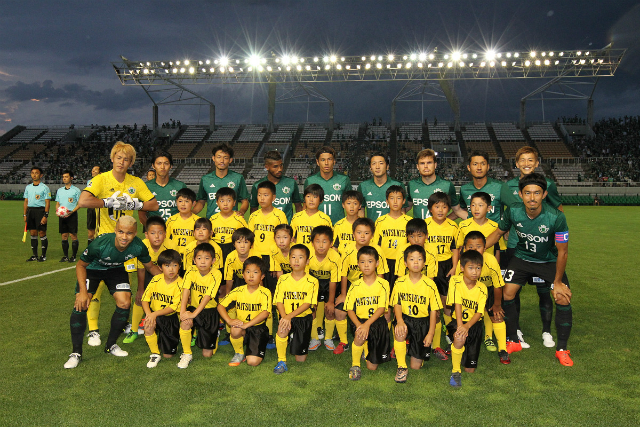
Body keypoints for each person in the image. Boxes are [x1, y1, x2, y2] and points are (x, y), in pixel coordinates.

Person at [486, 173, 573, 367]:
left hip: (548, 261)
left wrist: (558, 282)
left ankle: (562, 349)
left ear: (544, 194)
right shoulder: (513, 212)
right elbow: (498, 233)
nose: (532, 197)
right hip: (522, 258)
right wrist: (478, 249)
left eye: (536, 193)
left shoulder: (556, 217)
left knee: (562, 297)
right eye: (527, 193)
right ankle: (513, 341)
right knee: (507, 294)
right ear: (520, 194)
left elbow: (563, 253)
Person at [79, 142, 159, 347]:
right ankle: (94, 330)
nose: (122, 162)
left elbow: (153, 204)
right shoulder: (101, 179)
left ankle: (123, 322)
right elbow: (84, 201)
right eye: (118, 158)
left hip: (127, 242)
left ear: (131, 162)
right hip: (103, 241)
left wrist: (134, 204)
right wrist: (107, 202)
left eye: (126, 159)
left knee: (125, 287)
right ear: (112, 158)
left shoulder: (135, 182)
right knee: (93, 290)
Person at [64, 216, 161, 369]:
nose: (124, 237)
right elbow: (80, 266)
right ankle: (76, 353)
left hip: (115, 270)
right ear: (115, 231)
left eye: (129, 233)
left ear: (135, 233)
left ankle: (111, 345)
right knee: (81, 304)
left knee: (125, 302)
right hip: (92, 270)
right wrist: (83, 292)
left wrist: (173, 279)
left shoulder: (138, 246)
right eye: (121, 232)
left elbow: (150, 267)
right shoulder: (100, 244)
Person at [500, 146, 563, 349]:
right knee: (512, 292)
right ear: (516, 163)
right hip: (515, 248)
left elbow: (558, 211)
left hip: (543, 249)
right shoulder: (507, 186)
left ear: (537, 163)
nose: (526, 164)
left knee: (544, 291)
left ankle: (546, 331)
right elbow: (506, 216)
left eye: (531, 160)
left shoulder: (548, 185)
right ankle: (515, 330)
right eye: (522, 160)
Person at [335, 218, 388, 355]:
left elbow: (381, 274)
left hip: (373, 288)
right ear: (353, 234)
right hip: (354, 288)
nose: (362, 236)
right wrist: (343, 294)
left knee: (386, 314)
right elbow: (344, 274)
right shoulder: (347, 250)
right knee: (340, 311)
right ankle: (344, 342)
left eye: (366, 233)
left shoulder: (378, 251)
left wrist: (380, 294)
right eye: (359, 232)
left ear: (372, 235)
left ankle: (379, 340)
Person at [391, 245, 442, 383]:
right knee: (400, 331)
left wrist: (431, 332)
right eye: (411, 259)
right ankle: (401, 366)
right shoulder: (400, 282)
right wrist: (400, 321)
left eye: (419, 259)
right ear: (405, 263)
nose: (415, 262)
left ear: (424, 263)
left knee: (416, 366)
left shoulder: (430, 284)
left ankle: (414, 349)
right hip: (406, 319)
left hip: (422, 322)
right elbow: (397, 304)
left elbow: (433, 310)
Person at [456, 231, 509, 363]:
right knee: (465, 317)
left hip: (489, 289)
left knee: (497, 315)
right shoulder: (462, 262)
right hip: (469, 292)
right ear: (464, 248)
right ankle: (458, 339)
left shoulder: (490, 260)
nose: (474, 249)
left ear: (485, 248)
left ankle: (503, 350)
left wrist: (496, 305)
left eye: (478, 246)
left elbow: (498, 285)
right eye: (470, 247)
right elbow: (457, 285)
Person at [123, 216, 176, 344]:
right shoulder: (142, 245)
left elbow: (175, 267)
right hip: (147, 274)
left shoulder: (171, 245)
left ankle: (171, 327)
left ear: (165, 233)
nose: (157, 236)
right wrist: (141, 290)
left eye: (160, 233)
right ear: (146, 234)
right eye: (152, 233)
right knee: (141, 299)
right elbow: (141, 269)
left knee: (170, 299)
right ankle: (134, 330)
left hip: (168, 275)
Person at [247, 180, 287, 343]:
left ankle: (274, 332)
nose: (262, 198)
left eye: (266, 195)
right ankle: (260, 329)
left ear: (274, 197)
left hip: (273, 260)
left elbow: (282, 241)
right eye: (259, 195)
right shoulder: (254, 215)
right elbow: (251, 239)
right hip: (257, 259)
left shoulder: (279, 215)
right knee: (260, 296)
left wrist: (278, 266)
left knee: (275, 296)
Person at [344, 246, 391, 381]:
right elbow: (349, 309)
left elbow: (382, 308)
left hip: (377, 322)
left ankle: (368, 349)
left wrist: (367, 325)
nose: (366, 265)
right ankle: (355, 364)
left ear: (377, 263)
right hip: (360, 320)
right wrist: (360, 325)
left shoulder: (384, 284)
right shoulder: (354, 285)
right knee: (360, 334)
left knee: (372, 367)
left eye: (370, 261)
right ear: (358, 264)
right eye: (362, 262)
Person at [425, 192, 462, 361]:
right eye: (437, 206)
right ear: (430, 208)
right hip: (429, 266)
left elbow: (455, 249)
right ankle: (431, 338)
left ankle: (449, 331)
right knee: (431, 304)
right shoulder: (425, 225)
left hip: (447, 266)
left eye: (444, 207)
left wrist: (455, 266)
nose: (440, 210)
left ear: (449, 209)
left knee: (447, 302)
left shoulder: (453, 226)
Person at [218, 257, 272, 367]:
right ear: (243, 275)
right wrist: (229, 320)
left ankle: (256, 344)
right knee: (235, 329)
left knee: (252, 362)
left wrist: (247, 325)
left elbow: (265, 313)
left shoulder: (265, 292)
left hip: (258, 329)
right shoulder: (238, 290)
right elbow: (220, 306)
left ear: (262, 276)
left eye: (255, 272)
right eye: (248, 272)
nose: (251, 276)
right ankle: (239, 353)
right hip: (242, 326)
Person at [272, 244, 319, 374]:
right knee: (282, 329)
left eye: (300, 257)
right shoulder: (283, 279)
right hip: (286, 316)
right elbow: (279, 301)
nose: (296, 261)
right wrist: (284, 317)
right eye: (293, 257)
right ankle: (281, 360)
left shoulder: (312, 281)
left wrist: (288, 316)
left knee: (300, 359)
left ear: (307, 261)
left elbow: (307, 304)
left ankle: (296, 338)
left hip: (303, 318)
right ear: (289, 259)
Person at [446, 250, 488, 388]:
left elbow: (479, 312)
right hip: (457, 322)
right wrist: (460, 326)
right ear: (462, 268)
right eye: (471, 268)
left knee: (470, 369)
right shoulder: (455, 280)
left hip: (474, 325)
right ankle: (455, 371)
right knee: (459, 337)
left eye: (478, 268)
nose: (475, 272)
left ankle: (459, 351)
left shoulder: (482, 288)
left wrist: (467, 326)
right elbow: (457, 304)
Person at [178, 243, 223, 369]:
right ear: (194, 260)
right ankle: (187, 353)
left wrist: (193, 314)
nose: (202, 262)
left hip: (210, 311)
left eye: (207, 258)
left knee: (207, 354)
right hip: (194, 307)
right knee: (185, 322)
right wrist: (183, 312)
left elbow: (207, 297)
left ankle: (214, 335)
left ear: (213, 261)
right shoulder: (190, 271)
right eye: (199, 258)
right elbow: (185, 291)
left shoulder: (217, 274)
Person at [459, 150, 504, 259]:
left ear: (488, 166)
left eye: (482, 164)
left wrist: (506, 227)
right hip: (472, 239)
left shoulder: (500, 187)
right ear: (469, 167)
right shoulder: (464, 189)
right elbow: (460, 209)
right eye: (475, 164)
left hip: (494, 237)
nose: (479, 167)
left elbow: (513, 207)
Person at [142, 249, 183, 368]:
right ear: (160, 267)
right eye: (167, 266)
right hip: (155, 314)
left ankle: (173, 338)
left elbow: (173, 307)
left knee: (168, 355)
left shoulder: (181, 284)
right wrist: (150, 315)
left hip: (170, 318)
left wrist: (154, 315)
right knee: (148, 325)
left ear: (179, 267)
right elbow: (145, 299)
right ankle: (155, 353)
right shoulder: (155, 279)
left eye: (175, 265)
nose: (171, 269)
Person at [406, 149, 466, 220]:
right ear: (417, 166)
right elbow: (407, 207)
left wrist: (444, 222)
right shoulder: (412, 185)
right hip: (419, 230)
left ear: (435, 165)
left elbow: (457, 210)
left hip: (438, 230)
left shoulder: (447, 185)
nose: (425, 166)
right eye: (422, 163)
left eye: (429, 163)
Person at [307, 225, 341, 351]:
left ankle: (328, 337)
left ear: (331, 243)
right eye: (317, 241)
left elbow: (333, 281)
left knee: (330, 310)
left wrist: (331, 301)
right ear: (312, 243)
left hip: (328, 285)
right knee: (311, 309)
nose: (321, 245)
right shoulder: (308, 255)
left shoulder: (335, 257)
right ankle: (315, 338)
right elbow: (306, 278)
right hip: (312, 284)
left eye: (325, 241)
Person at [195, 143, 250, 219]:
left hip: (231, 222)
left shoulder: (238, 178)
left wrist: (241, 211)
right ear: (213, 158)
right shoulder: (205, 179)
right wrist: (191, 213)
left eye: (225, 158)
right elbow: (201, 202)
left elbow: (245, 201)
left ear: (230, 160)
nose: (221, 161)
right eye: (219, 157)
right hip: (211, 223)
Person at [373, 185, 412, 288]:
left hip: (403, 263)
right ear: (387, 201)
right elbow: (376, 245)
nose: (395, 202)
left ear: (404, 201)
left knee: (401, 292)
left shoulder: (408, 221)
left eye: (399, 198)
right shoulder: (380, 221)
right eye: (391, 198)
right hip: (385, 262)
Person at [250, 150, 303, 223]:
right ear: (267, 167)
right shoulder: (257, 185)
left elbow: (298, 207)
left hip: (286, 230)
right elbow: (253, 209)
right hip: (267, 229)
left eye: (281, 165)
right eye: (275, 167)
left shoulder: (291, 183)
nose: (280, 169)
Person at [304, 146, 352, 224]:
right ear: (317, 162)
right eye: (323, 160)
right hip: (316, 226)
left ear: (334, 161)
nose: (326, 163)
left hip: (338, 227)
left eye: (329, 159)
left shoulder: (344, 179)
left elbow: (351, 204)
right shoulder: (310, 181)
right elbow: (305, 206)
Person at [139, 151, 186, 223]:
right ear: (153, 166)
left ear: (171, 166)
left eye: (166, 163)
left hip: (175, 231)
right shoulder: (146, 187)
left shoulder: (180, 186)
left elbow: (186, 211)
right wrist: (151, 229)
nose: (162, 167)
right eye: (159, 163)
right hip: (155, 232)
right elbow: (142, 215)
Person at [357, 153, 405, 220]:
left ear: (387, 166)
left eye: (381, 163)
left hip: (391, 229)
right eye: (374, 163)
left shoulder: (398, 185)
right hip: (372, 229)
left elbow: (402, 211)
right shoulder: (363, 186)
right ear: (370, 168)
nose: (377, 167)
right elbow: (360, 209)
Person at [209, 187, 248, 265]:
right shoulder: (213, 219)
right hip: (216, 248)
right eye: (222, 201)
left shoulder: (239, 218)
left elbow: (246, 235)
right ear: (217, 203)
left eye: (229, 200)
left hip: (233, 248)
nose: (225, 204)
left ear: (234, 203)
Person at [291, 184, 332, 252]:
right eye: (308, 196)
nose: (311, 200)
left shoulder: (325, 219)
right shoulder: (296, 217)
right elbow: (292, 238)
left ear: (321, 200)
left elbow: (328, 241)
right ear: (304, 198)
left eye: (315, 197)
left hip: (317, 256)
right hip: (300, 255)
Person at [458, 192, 499, 256]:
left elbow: (497, 250)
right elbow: (460, 248)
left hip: (487, 264)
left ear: (489, 208)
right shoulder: (463, 225)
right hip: (469, 264)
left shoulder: (495, 227)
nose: (476, 209)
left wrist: (496, 265)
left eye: (480, 205)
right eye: (473, 205)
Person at [23, 166, 51, 262]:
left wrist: (45, 215)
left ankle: (43, 255)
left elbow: (47, 202)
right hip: (30, 211)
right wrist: (25, 214)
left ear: (41, 175)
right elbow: (26, 201)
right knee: (33, 233)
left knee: (42, 232)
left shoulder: (45, 188)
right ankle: (35, 255)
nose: (34, 175)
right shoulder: (28, 187)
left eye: (36, 173)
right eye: (32, 173)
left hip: (40, 211)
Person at [165, 188, 199, 263]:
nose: (183, 204)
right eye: (180, 201)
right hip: (174, 256)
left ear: (193, 203)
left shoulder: (198, 221)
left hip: (192, 257)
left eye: (187, 201)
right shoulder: (171, 220)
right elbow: (165, 239)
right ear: (176, 202)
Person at [55, 170, 81, 262]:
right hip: (62, 216)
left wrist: (72, 212)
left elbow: (80, 204)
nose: (64, 178)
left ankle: (73, 256)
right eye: (63, 177)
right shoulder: (60, 190)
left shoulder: (76, 190)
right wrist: (58, 211)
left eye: (66, 176)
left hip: (72, 214)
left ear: (71, 178)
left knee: (73, 235)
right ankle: (66, 256)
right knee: (64, 235)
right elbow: (57, 203)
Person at [86, 165, 101, 247]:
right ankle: (90, 252)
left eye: (95, 170)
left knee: (100, 231)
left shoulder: (103, 182)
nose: (93, 171)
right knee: (90, 232)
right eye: (92, 170)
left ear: (100, 172)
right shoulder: (89, 182)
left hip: (100, 209)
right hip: (91, 208)